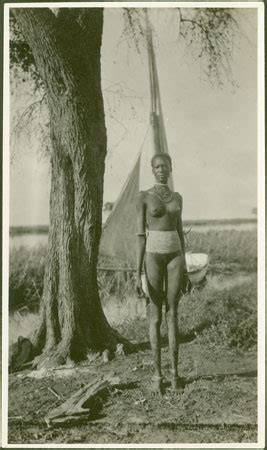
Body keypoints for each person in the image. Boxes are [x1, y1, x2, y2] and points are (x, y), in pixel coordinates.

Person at [135, 153, 186, 394]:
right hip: (153, 255)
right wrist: (136, 273)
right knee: (154, 314)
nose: (161, 169)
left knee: (173, 313)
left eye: (165, 165)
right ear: (152, 170)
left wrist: (184, 266)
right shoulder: (144, 197)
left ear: (171, 168)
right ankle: (157, 376)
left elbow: (179, 230)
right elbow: (140, 236)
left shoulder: (177, 198)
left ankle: (175, 375)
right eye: (157, 166)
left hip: (175, 254)